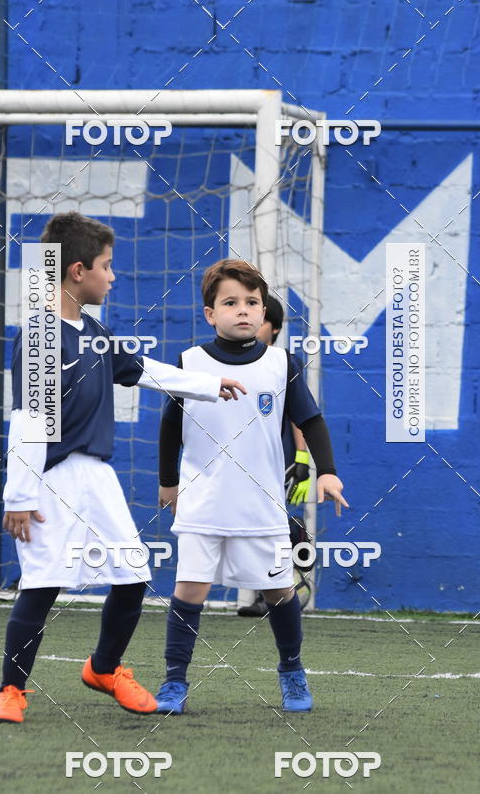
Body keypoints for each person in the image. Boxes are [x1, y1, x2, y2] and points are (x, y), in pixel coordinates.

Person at [0, 212, 246, 724]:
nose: (113, 275)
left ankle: (104, 669)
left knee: (132, 575)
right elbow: (29, 421)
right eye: (107, 266)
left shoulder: (95, 331)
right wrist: (19, 495)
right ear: (78, 270)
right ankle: (10, 691)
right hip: (47, 479)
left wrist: (205, 383)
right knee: (40, 583)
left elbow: (142, 369)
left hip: (96, 477)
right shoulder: (41, 334)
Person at [156, 259, 347, 714]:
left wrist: (327, 470)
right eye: (231, 302)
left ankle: (292, 672)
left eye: (252, 303)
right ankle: (174, 682)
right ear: (210, 313)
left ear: (264, 312)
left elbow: (312, 421)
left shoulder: (283, 364)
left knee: (280, 592)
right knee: (189, 590)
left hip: (262, 506)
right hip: (203, 503)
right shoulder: (190, 363)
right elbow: (170, 425)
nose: (243, 310)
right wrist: (168, 483)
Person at [237, 294, 313, 617]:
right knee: (243, 520)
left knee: (264, 524)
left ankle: (270, 588)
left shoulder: (283, 363)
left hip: (274, 459)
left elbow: (301, 416)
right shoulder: (229, 362)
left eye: (262, 317)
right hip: (237, 458)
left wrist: (302, 459)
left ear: (275, 327)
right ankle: (293, 533)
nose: (251, 321)